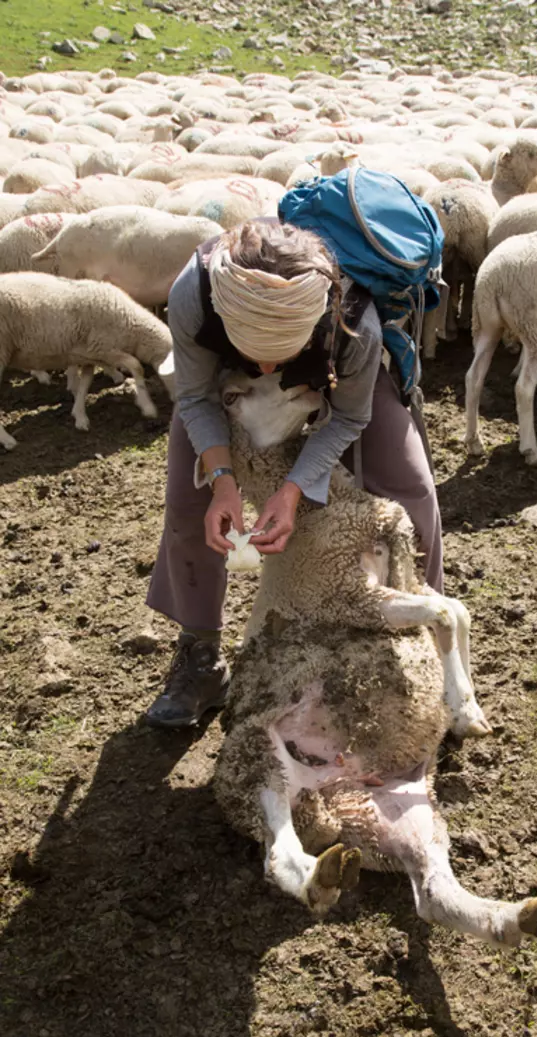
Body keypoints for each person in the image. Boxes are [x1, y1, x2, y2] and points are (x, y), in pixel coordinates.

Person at [145, 219, 444, 728]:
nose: (265, 368)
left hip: (330, 370)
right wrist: (222, 482)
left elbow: (349, 416)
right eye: (254, 351)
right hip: (222, 378)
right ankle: (201, 655)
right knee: (188, 502)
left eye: (276, 353)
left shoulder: (355, 322)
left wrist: (292, 489)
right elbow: (195, 397)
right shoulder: (194, 294)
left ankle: (428, 645)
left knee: (410, 489)